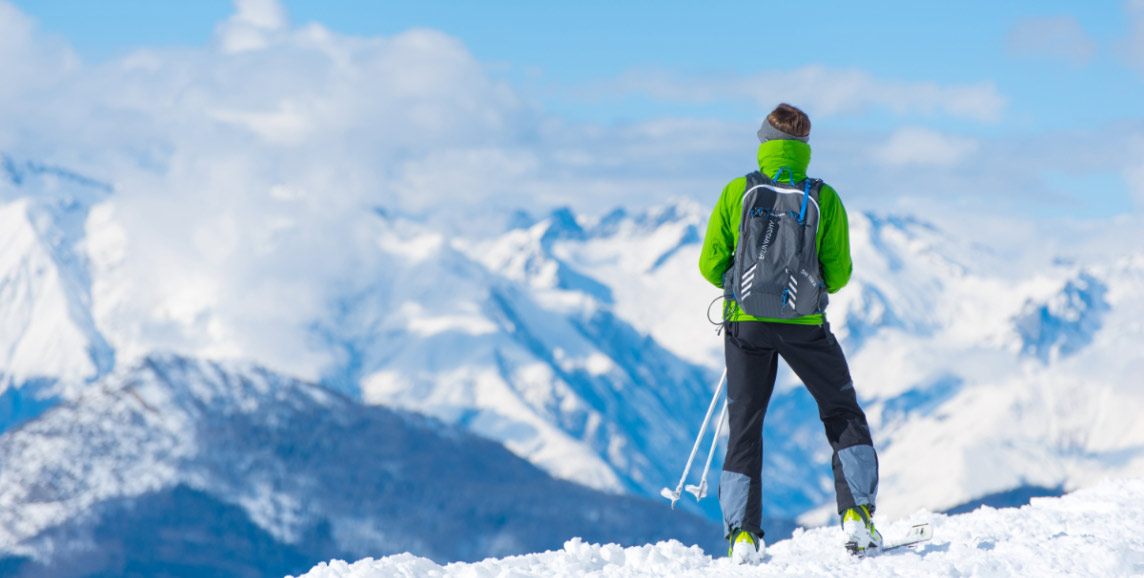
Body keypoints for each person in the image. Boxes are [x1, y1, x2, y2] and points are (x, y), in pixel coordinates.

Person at [698, 103, 881, 564]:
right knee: (840, 410)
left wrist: (742, 285)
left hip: (746, 323)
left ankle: (742, 536)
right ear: (805, 147)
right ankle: (857, 514)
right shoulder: (824, 197)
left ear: (763, 141)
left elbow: (709, 264)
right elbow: (838, 275)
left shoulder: (738, 192)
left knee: (745, 423)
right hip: (804, 325)